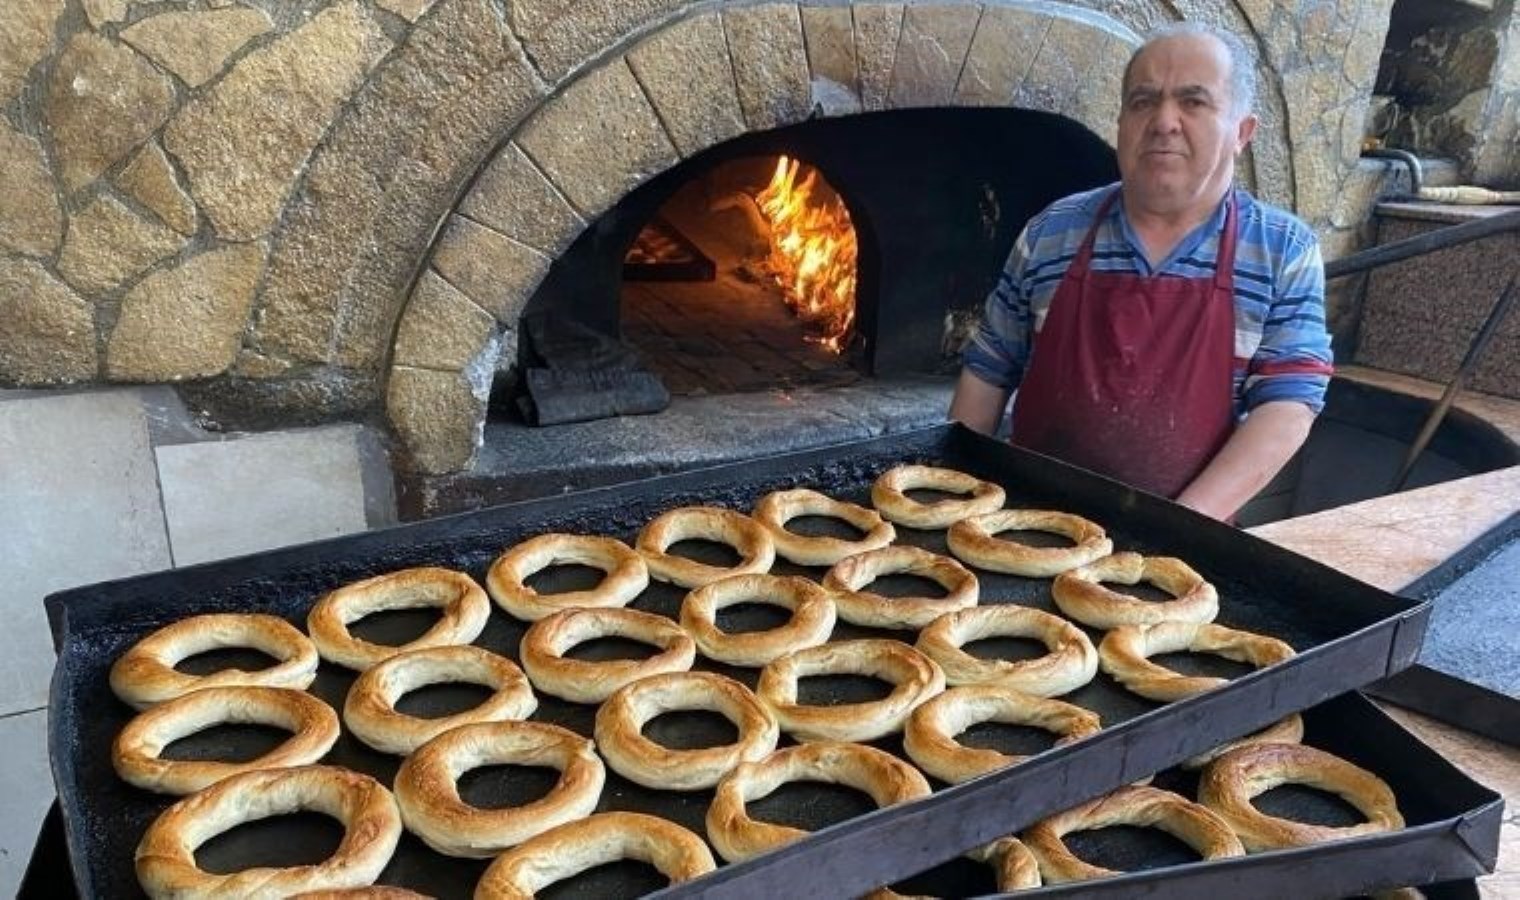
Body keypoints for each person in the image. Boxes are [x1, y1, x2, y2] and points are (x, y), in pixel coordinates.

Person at [949, 22, 1333, 522]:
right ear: (1121, 123)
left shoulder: (1283, 251)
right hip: (1026, 528)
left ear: (1242, 132)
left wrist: (1177, 528)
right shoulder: (1051, 233)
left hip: (1185, 545)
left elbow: (1287, 407)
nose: (1164, 121)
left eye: (1193, 102)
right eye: (1143, 101)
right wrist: (955, 502)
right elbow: (986, 375)